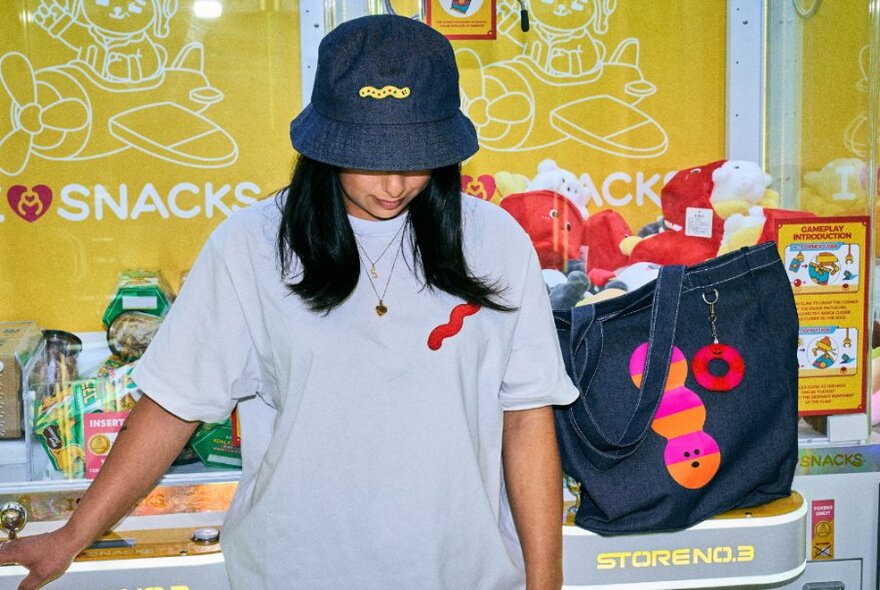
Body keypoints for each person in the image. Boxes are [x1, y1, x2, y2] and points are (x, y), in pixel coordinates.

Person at [0, 14, 578, 590]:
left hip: (463, 573)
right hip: (297, 570)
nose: (396, 184)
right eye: (371, 158)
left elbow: (526, 419)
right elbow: (173, 405)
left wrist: (545, 580)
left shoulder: (495, 242)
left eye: (417, 156)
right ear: (325, 143)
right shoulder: (251, 246)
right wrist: (73, 536)